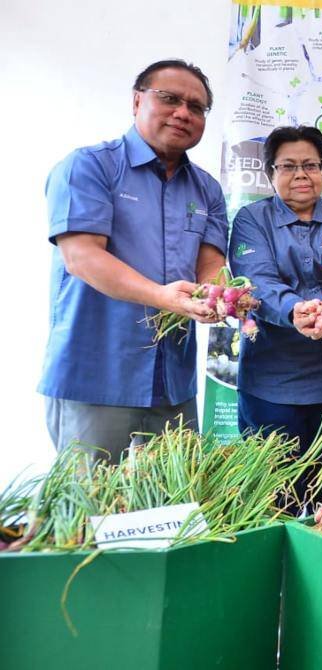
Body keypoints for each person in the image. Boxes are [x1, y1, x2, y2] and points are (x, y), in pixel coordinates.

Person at [40, 60, 228, 463]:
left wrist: (222, 295)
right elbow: (82, 256)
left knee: (172, 507)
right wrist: (162, 296)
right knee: (88, 509)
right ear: (137, 100)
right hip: (96, 375)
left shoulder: (207, 189)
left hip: (172, 381)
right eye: (170, 98)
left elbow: (210, 265)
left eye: (196, 107)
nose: (183, 112)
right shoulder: (90, 166)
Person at [228, 126, 322, 511]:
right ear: (270, 173)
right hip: (275, 386)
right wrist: (296, 311)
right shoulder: (251, 220)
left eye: (311, 165)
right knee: (276, 499)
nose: (301, 175)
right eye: (288, 166)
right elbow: (255, 280)